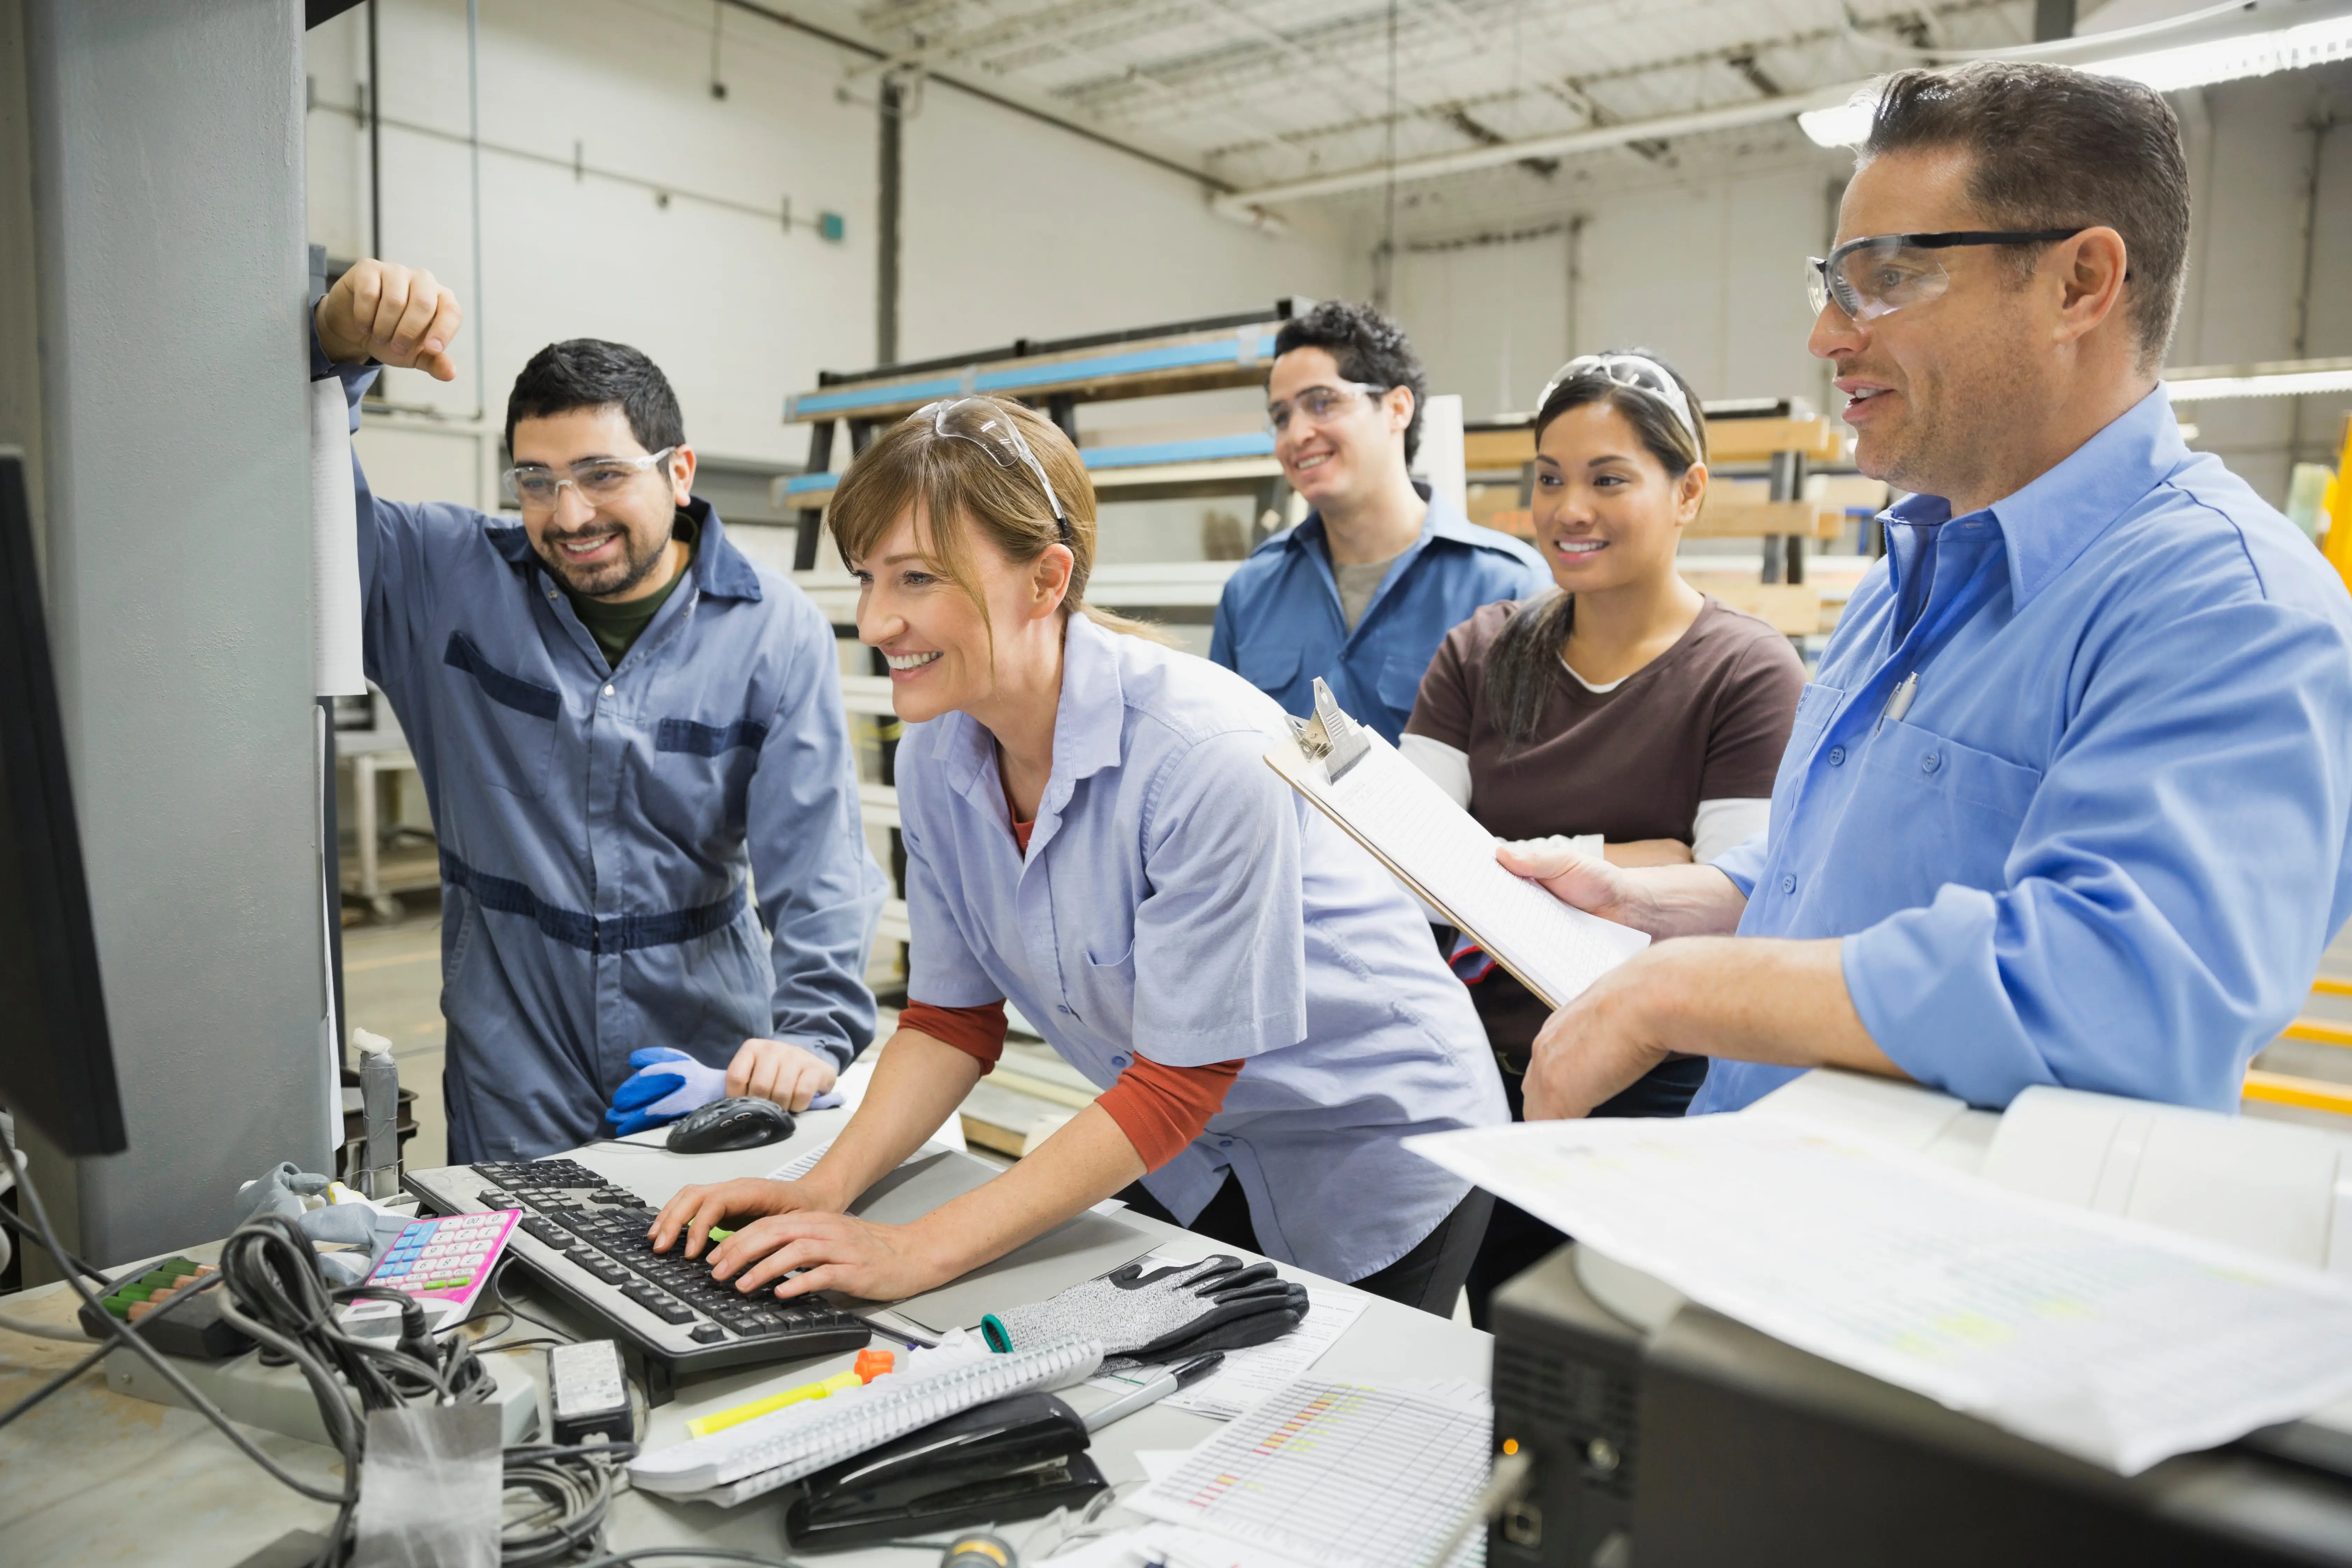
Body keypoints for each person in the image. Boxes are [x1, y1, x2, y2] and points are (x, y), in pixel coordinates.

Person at [1505, 62, 2352, 1124]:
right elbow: (1853, 868)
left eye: (1887, 278)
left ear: (2078, 284)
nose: (1827, 335)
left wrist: (1681, 992)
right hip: (1757, 1218)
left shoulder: (2225, 608)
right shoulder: (1901, 583)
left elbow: (2127, 991)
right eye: (1832, 283)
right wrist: (1680, 905)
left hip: (1952, 1278)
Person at [650, 396, 1508, 1316]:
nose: (874, 622)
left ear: (1046, 580)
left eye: (916, 581)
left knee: (1308, 1427)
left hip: (1375, 1142)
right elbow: (950, 1020)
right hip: (1203, 1148)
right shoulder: (940, 754)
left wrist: (914, 1251)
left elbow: (1179, 1086)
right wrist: (822, 1188)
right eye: (867, 579)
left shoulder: (1204, 755)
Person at [312, 260, 886, 1161]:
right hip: (514, 1056)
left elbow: (818, 866)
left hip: (702, 1053)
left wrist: (809, 1038)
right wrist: (333, 358)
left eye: (602, 475)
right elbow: (304, 524)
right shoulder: (444, 579)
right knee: (527, 1279)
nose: (567, 513)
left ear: (680, 472)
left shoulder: (775, 634)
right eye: (535, 479)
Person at [1401, 350, 1805, 1323]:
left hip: (1652, 1086)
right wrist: (1633, 859)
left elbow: (1728, 905)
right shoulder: (1481, 654)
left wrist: (1494, 855)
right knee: (1500, 1339)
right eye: (1549, 478)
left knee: (1612, 1344)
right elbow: (1406, 863)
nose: (1568, 509)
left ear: (1688, 492)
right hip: (1470, 1067)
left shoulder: (1747, 674)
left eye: (1609, 479)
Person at [1211, 301, 1547, 742]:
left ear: (1397, 408)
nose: (1296, 435)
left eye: (1322, 403)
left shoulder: (1509, 589)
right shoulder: (1250, 592)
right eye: (1281, 417)